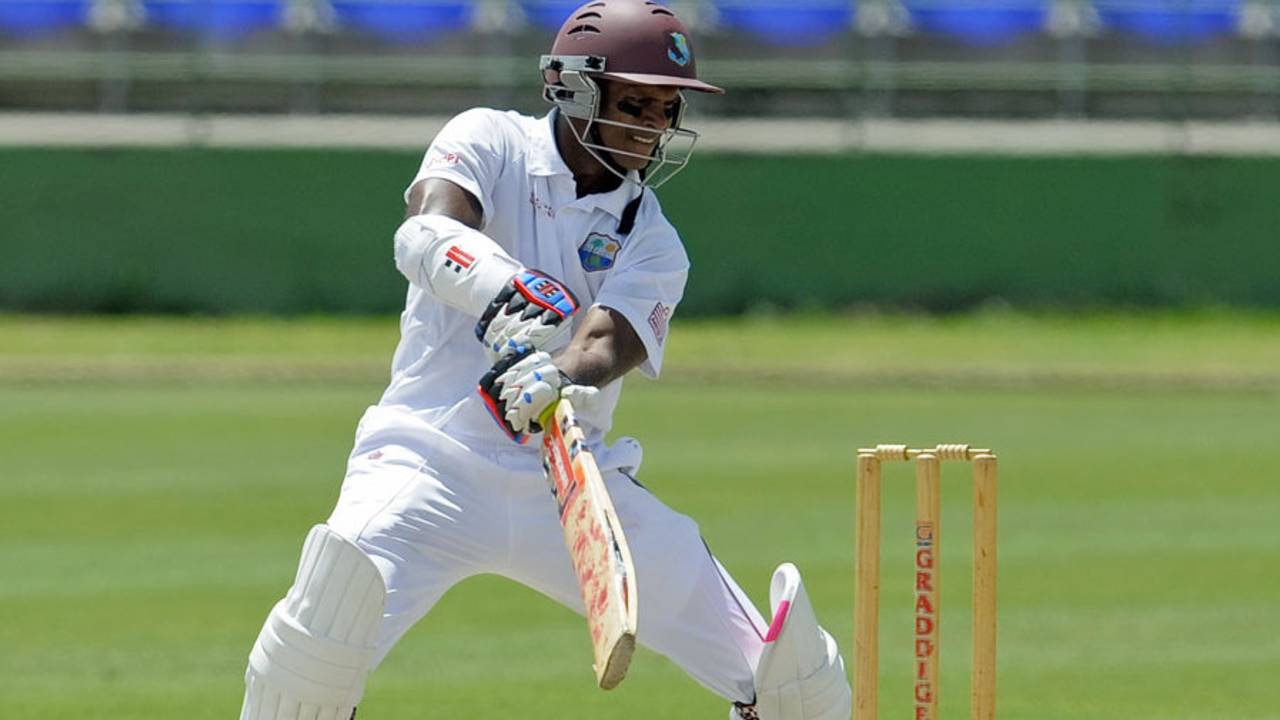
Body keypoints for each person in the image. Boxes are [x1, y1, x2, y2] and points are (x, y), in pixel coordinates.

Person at [238, 2, 851, 718]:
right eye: (635, 103)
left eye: (666, 108)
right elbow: (426, 230)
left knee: (795, 686)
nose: (654, 126)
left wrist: (556, 373)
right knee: (312, 651)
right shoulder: (490, 140)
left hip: (568, 486)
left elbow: (606, 341)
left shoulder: (653, 238)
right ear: (573, 88)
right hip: (426, 459)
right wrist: (502, 287)